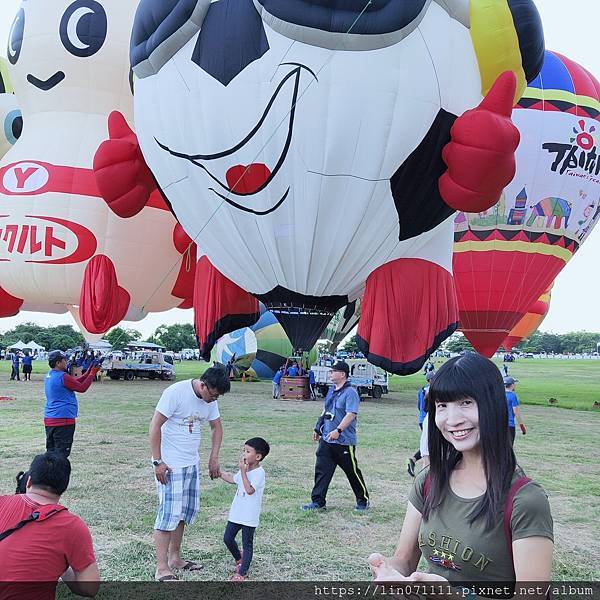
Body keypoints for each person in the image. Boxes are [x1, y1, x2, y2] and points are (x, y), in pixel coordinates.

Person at [369, 353, 553, 588]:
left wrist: (453, 595)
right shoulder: (429, 481)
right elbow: (404, 559)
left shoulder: (526, 500)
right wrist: (390, 572)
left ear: (493, 405)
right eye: (442, 406)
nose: (452, 420)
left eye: (466, 402)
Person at [149, 366, 230, 581]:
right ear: (203, 385)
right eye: (213, 395)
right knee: (168, 516)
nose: (214, 400)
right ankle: (161, 567)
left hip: (191, 463)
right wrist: (158, 462)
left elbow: (216, 427)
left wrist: (214, 457)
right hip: (170, 465)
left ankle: (175, 558)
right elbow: (155, 426)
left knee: (183, 513)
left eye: (217, 397)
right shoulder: (174, 393)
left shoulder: (210, 400)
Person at [0, 452, 99, 598]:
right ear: (63, 488)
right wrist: (63, 566)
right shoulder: (73, 527)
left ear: (29, 481)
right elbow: (89, 588)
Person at [302, 361, 369, 511]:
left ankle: (362, 500)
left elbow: (351, 414)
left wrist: (338, 430)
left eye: (333, 371)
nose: (330, 374)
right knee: (322, 470)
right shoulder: (332, 390)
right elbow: (325, 410)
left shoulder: (351, 392)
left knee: (352, 471)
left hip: (343, 441)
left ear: (342, 374)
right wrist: (318, 427)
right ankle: (318, 501)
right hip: (327, 439)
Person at [220, 437, 270, 581]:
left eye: (247, 451)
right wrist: (219, 473)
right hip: (237, 512)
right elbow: (233, 479)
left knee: (247, 543)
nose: (243, 454)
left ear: (258, 456)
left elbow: (249, 490)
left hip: (249, 514)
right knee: (228, 538)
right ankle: (239, 558)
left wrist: (243, 471)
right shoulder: (245, 470)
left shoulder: (259, 473)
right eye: (244, 450)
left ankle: (242, 573)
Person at [44, 350, 100, 457]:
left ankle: (49, 473)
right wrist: (92, 374)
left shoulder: (50, 375)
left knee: (51, 454)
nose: (67, 362)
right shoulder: (63, 376)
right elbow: (82, 388)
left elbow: (75, 382)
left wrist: (89, 372)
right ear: (58, 363)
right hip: (63, 420)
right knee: (61, 455)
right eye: (65, 360)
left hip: (50, 419)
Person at [407, 371, 434, 477]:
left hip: (422, 418)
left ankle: (413, 460)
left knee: (427, 444)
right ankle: (414, 460)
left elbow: (419, 406)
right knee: (428, 446)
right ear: (430, 380)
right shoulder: (431, 390)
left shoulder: (421, 390)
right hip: (427, 419)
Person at [504, 376, 526, 444]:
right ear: (512, 385)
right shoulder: (512, 396)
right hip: (509, 425)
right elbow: (516, 412)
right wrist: (522, 426)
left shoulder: (500, 395)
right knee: (509, 448)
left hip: (499, 425)